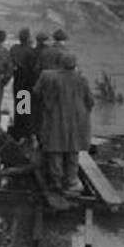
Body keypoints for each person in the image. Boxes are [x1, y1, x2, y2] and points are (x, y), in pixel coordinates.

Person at [34, 51, 93, 194]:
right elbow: (90, 101)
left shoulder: (48, 75)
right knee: (73, 149)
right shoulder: (82, 79)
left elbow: (35, 91)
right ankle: (71, 180)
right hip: (77, 117)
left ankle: (56, 180)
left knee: (55, 148)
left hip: (53, 114)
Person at [8, 28, 40, 140]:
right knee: (24, 109)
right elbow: (34, 68)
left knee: (19, 106)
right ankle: (23, 133)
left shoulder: (14, 49)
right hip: (26, 81)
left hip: (17, 79)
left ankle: (19, 130)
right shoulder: (30, 51)